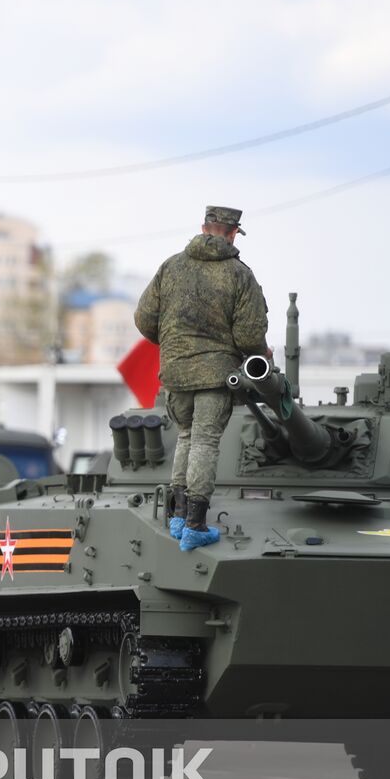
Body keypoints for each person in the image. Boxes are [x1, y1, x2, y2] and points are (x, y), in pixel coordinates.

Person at [135, 205, 269, 551]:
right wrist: (263, 354)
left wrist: (175, 344)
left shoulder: (171, 266)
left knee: (185, 436)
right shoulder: (239, 275)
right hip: (215, 374)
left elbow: (144, 318)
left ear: (203, 227)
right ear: (233, 232)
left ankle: (178, 516)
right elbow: (249, 335)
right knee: (205, 443)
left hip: (175, 373)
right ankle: (195, 525)